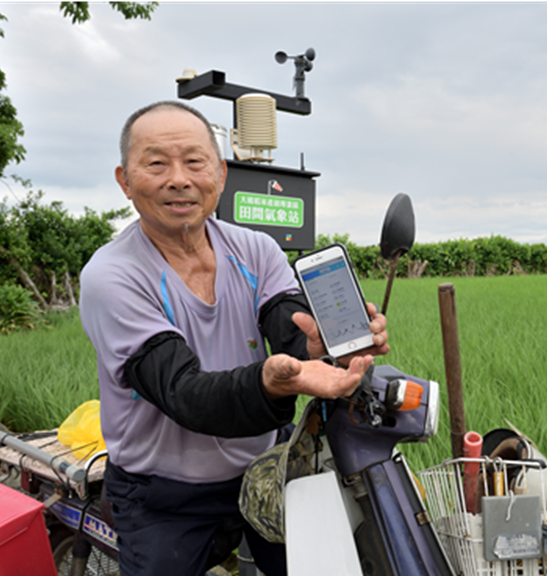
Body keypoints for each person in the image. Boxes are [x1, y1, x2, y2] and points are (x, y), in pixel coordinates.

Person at [79, 100, 389, 576]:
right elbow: (184, 394)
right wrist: (271, 383)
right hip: (162, 491)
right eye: (157, 163)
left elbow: (286, 323)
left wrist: (316, 347)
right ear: (125, 180)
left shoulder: (255, 249)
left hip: (265, 467)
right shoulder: (113, 275)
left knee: (323, 565)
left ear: (220, 174)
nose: (179, 178)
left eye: (194, 161)